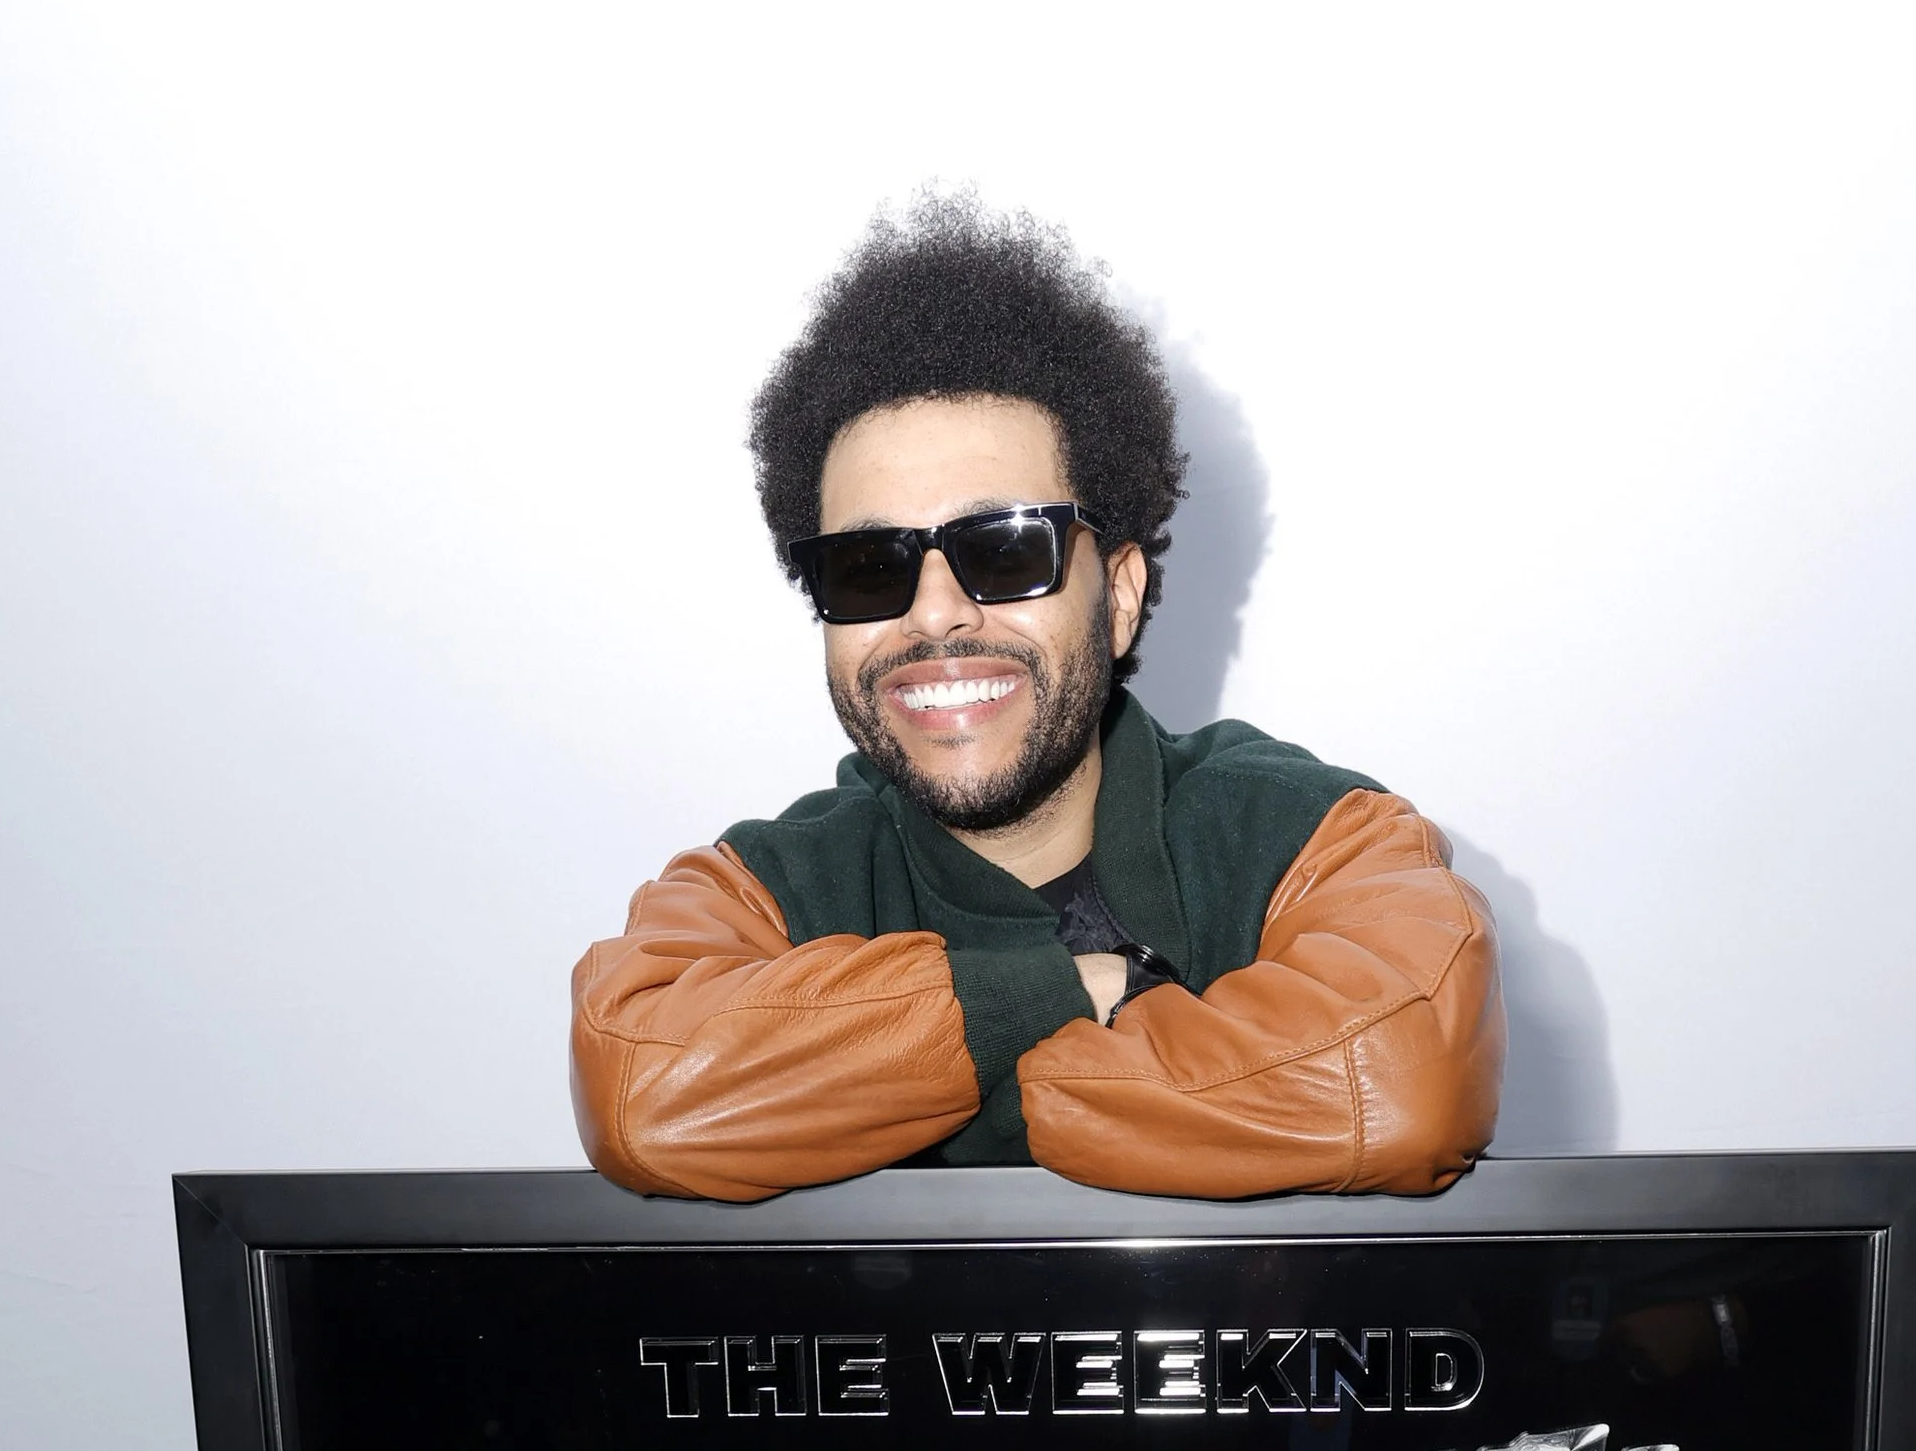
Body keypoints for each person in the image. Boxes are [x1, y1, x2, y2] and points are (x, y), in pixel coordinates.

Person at [572, 200, 1504, 1202]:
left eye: (1004, 549)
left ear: (1121, 597)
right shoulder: (756, 888)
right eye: (868, 566)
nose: (934, 614)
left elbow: (1402, 1077)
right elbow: (643, 1087)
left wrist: (901, 1078)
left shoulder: (1312, 840)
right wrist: (1073, 995)